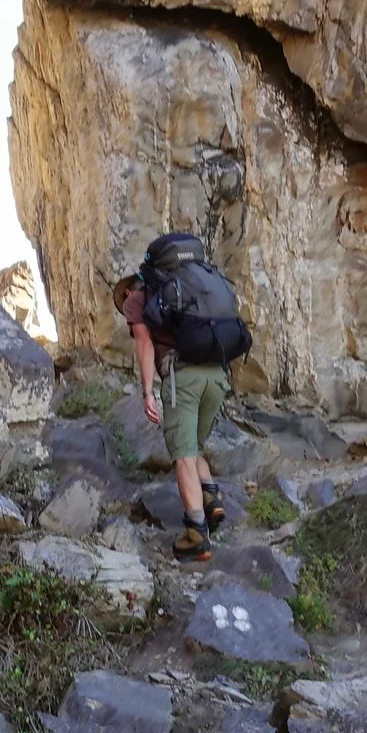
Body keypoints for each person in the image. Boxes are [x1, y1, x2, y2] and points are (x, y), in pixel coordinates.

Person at [112, 233, 249, 563]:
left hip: (181, 376)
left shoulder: (137, 300)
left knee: (183, 455)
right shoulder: (192, 291)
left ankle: (195, 534)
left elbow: (144, 345)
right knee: (194, 446)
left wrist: (147, 391)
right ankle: (212, 499)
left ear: (131, 288)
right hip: (217, 372)